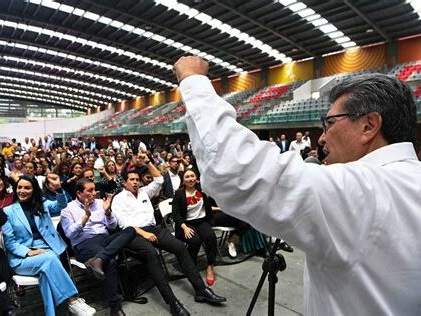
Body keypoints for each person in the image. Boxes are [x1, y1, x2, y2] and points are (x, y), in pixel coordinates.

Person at [174, 56, 421, 315]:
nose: (323, 137)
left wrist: (194, 80)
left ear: (369, 125)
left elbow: (234, 171)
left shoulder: (365, 189)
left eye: (330, 123)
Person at [111, 161, 226, 315]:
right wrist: (144, 234)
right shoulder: (118, 199)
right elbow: (125, 225)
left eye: (137, 179)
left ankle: (201, 290)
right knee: (151, 255)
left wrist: (147, 160)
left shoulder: (144, 192)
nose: (135, 182)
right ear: (125, 182)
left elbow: (159, 179)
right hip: (134, 233)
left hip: (153, 229)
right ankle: (173, 303)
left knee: (180, 247)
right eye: (131, 179)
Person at [1, 175, 95, 316]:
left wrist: (58, 188)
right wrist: (27, 252)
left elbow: (61, 205)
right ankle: (74, 300)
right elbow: (9, 241)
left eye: (27, 188)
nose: (22, 191)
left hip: (46, 250)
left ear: (34, 190)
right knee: (50, 259)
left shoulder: (42, 205)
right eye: (19, 187)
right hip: (21, 257)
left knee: (46, 269)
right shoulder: (8, 211)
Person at [61, 178, 135, 316]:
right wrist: (85, 216)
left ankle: (99, 259)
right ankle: (115, 307)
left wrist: (107, 212)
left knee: (130, 230)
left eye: (94, 189)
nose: (94, 193)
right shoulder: (68, 210)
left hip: (105, 239)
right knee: (110, 262)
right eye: (90, 190)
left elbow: (112, 226)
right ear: (79, 193)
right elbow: (70, 234)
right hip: (85, 243)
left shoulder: (101, 203)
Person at [172, 169, 218, 286]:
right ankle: (190, 264)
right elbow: (176, 214)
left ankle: (210, 266)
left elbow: (209, 207)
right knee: (194, 241)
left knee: (211, 237)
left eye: (192, 176)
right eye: (187, 177)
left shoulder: (202, 191)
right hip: (186, 223)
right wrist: (184, 227)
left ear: (196, 178)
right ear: (183, 180)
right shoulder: (179, 194)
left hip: (202, 221)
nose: (190, 178)